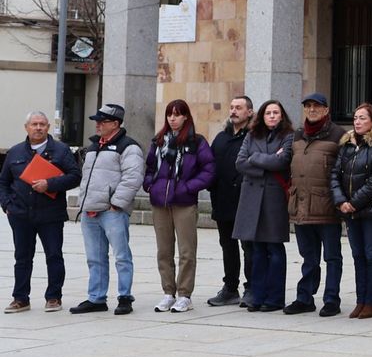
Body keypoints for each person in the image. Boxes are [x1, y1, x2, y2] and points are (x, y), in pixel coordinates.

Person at [2, 111, 81, 313]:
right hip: (21, 215)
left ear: (48, 127)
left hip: (51, 214)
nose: (38, 128)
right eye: (34, 124)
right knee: (22, 257)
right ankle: (20, 298)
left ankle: (54, 297)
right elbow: (3, 182)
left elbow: (75, 176)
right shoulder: (15, 152)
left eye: (42, 124)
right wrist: (7, 205)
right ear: (26, 127)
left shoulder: (61, 151)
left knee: (54, 255)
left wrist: (50, 184)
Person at [143, 99, 216, 313]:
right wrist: (150, 186)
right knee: (164, 251)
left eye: (177, 114)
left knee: (186, 251)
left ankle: (184, 294)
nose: (172, 118)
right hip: (160, 202)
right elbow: (149, 168)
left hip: (184, 202)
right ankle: (168, 292)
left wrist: (188, 187)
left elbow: (209, 169)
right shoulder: (158, 141)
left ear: (186, 117)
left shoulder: (196, 142)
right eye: (169, 114)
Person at [70, 104, 143, 315]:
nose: (98, 125)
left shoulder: (129, 147)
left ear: (116, 124)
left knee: (122, 256)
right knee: (94, 258)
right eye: (97, 121)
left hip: (113, 212)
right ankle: (97, 298)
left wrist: (116, 203)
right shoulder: (93, 147)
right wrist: (83, 202)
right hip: (90, 211)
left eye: (103, 121)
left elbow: (133, 177)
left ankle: (125, 297)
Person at [331, 102, 372, 319]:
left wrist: (354, 203)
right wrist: (341, 201)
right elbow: (335, 174)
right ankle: (360, 300)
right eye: (355, 118)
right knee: (358, 255)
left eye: (362, 118)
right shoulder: (347, 145)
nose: (357, 122)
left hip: (371, 209)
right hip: (350, 210)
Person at [286, 93, 344, 318]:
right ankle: (304, 298)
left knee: (332, 257)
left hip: (327, 206)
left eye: (317, 106)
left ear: (326, 110)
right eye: (308, 106)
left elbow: (343, 170)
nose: (312, 110)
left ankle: (331, 299)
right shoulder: (297, 135)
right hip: (301, 205)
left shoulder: (338, 135)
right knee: (308, 257)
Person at [233, 99, 293, 312]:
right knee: (256, 249)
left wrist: (255, 158)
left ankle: (275, 298)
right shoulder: (251, 135)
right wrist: (266, 159)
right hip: (251, 198)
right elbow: (240, 163)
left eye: (276, 112)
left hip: (274, 198)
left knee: (274, 248)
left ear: (282, 115)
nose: (272, 116)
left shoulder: (288, 136)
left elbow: (282, 162)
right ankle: (257, 296)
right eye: (268, 113)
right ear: (262, 116)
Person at [206, 95, 253, 306]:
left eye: (239, 108)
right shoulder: (221, 137)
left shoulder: (253, 137)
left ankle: (251, 288)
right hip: (222, 200)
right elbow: (210, 164)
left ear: (249, 112)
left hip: (245, 201)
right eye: (232, 107)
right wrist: (211, 185)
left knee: (249, 247)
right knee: (228, 246)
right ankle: (230, 288)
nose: (233, 111)